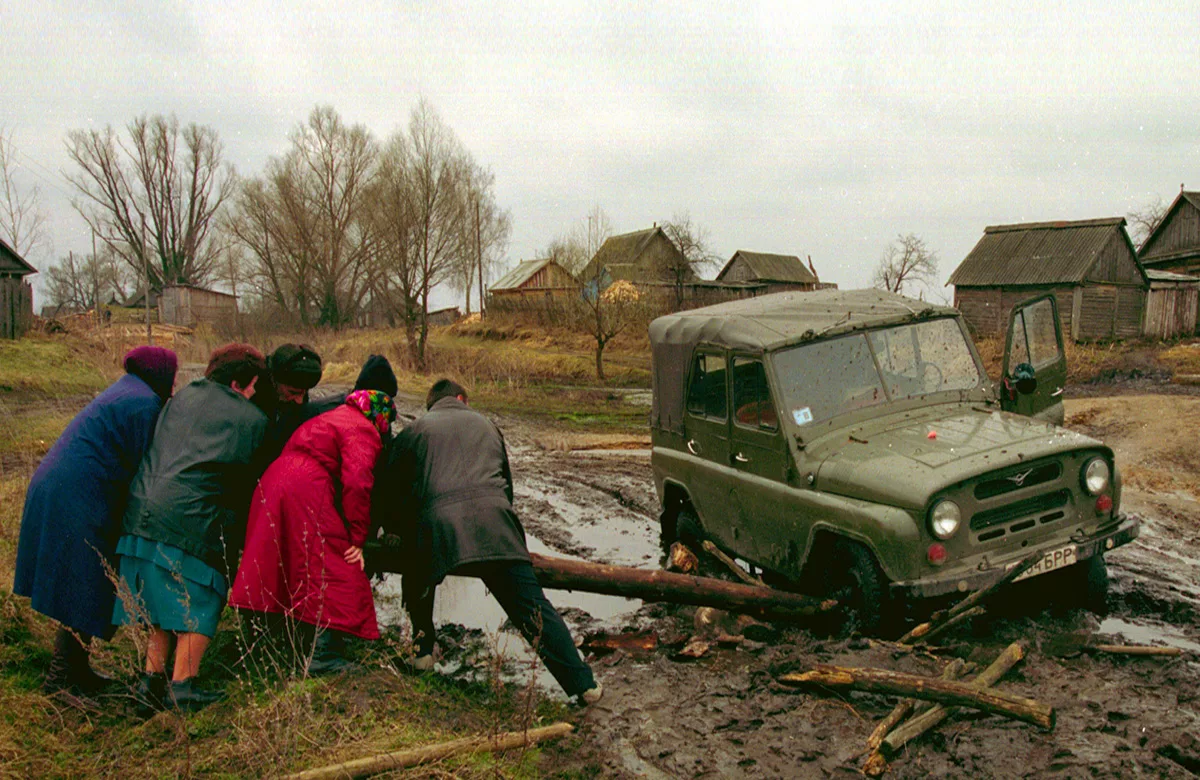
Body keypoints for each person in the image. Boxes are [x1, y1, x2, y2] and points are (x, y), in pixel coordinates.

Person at [387, 379, 602, 705]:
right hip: (495, 521)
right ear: (462, 398)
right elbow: (506, 485)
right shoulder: (488, 425)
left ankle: (422, 655)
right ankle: (583, 685)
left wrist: (401, 532)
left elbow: (396, 490)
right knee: (532, 609)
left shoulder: (415, 431)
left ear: (434, 405)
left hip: (437, 525)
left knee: (418, 581)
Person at [112, 344, 269, 712]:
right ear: (237, 384)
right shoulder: (250, 419)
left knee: (160, 603)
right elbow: (248, 478)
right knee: (202, 597)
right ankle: (183, 686)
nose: (252, 395)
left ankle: (149, 682)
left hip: (141, 510)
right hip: (189, 518)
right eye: (252, 387)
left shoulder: (180, 398)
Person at [13, 346, 178, 696]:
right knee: (84, 581)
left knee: (82, 581)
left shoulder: (125, 389)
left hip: (61, 485)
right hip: (77, 493)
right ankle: (60, 680)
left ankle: (75, 670)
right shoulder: (143, 403)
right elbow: (142, 466)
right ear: (163, 375)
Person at [230, 363, 397, 674]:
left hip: (274, 481)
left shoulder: (332, 416)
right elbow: (358, 483)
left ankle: (262, 642)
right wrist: (358, 537)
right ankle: (323, 656)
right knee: (335, 564)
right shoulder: (363, 429)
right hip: (306, 487)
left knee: (272, 559)